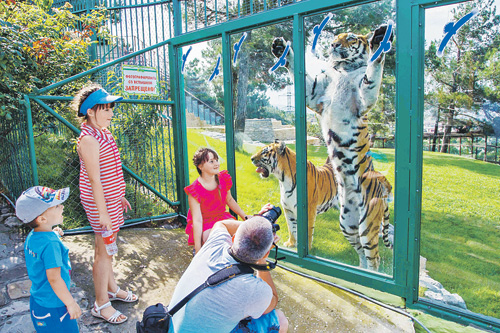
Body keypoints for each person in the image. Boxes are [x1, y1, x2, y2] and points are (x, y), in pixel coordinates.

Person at [72, 84, 137, 325]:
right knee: (103, 253)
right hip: (101, 205)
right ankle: (101, 303)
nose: (111, 113)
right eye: (105, 108)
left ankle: (111, 289)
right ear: (90, 111)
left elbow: (111, 171)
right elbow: (94, 179)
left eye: (111, 108)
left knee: (108, 249)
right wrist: (103, 213)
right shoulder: (88, 139)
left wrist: (119, 195)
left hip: (110, 201)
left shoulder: (104, 132)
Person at [168, 209, 289, 333]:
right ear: (267, 253)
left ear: (234, 237)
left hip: (170, 327)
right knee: (280, 320)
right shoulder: (254, 290)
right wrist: (262, 257)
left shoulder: (214, 246)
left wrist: (254, 225)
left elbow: (221, 224)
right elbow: (272, 302)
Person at [16, 186, 82, 332]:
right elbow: (54, 278)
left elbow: (42, 247)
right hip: (56, 307)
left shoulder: (33, 236)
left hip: (39, 301)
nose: (62, 206)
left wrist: (53, 233)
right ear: (42, 218)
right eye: (57, 206)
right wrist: (70, 303)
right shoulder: (51, 244)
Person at [185, 148, 251, 254]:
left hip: (222, 217)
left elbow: (229, 199)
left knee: (241, 234)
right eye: (211, 161)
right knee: (215, 239)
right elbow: (197, 220)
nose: (216, 164)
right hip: (206, 223)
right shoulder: (194, 190)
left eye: (216, 160)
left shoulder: (223, 178)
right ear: (200, 166)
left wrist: (245, 217)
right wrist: (198, 249)